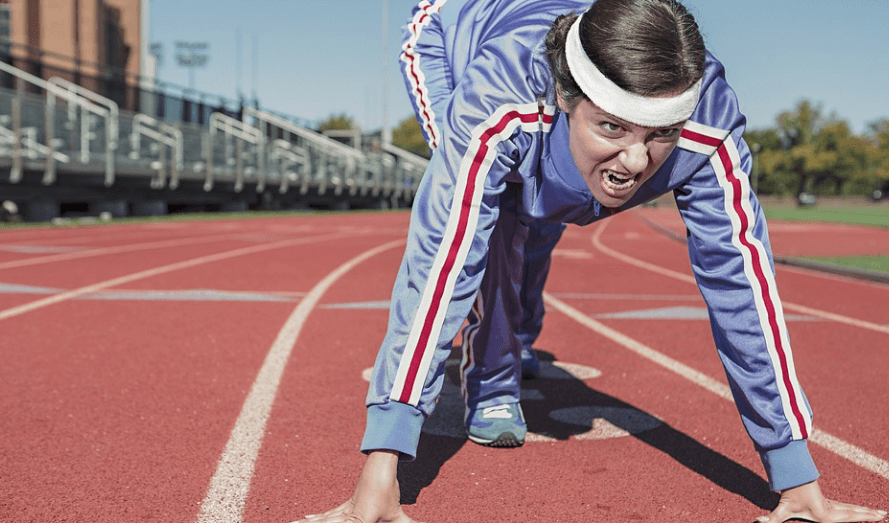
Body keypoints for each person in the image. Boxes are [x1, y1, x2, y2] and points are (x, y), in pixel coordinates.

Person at [293, 1, 888, 522]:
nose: (634, 160)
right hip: (453, 36)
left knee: (545, 212)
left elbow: (743, 287)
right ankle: (493, 378)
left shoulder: (708, 128)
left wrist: (796, 474)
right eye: (612, 127)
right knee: (497, 217)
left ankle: (520, 331)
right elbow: (442, 260)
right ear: (565, 98)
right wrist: (382, 464)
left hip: (562, 98)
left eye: (660, 133)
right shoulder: (499, 102)